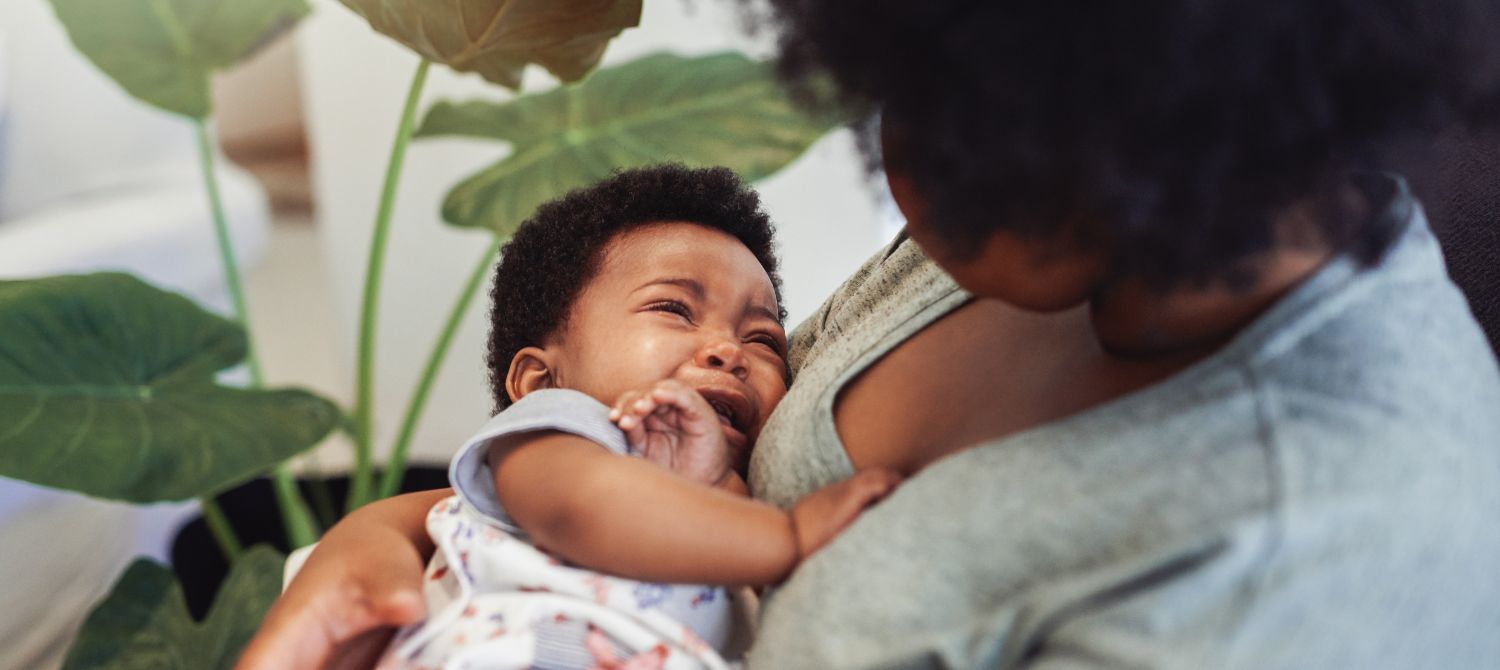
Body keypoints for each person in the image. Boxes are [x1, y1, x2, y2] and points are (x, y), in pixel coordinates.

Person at [239, 1, 1500, 668]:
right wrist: (381, 535)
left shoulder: (1308, 570)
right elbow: (545, 487)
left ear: (1122, 159)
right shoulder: (1066, 221)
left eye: (760, 327)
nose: (897, 170)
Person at [368, 165, 900, 669]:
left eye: (762, 339)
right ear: (539, 381)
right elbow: (583, 507)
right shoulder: (558, 431)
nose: (728, 350)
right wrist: (790, 537)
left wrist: (722, 486)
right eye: (673, 309)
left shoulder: (748, 506)